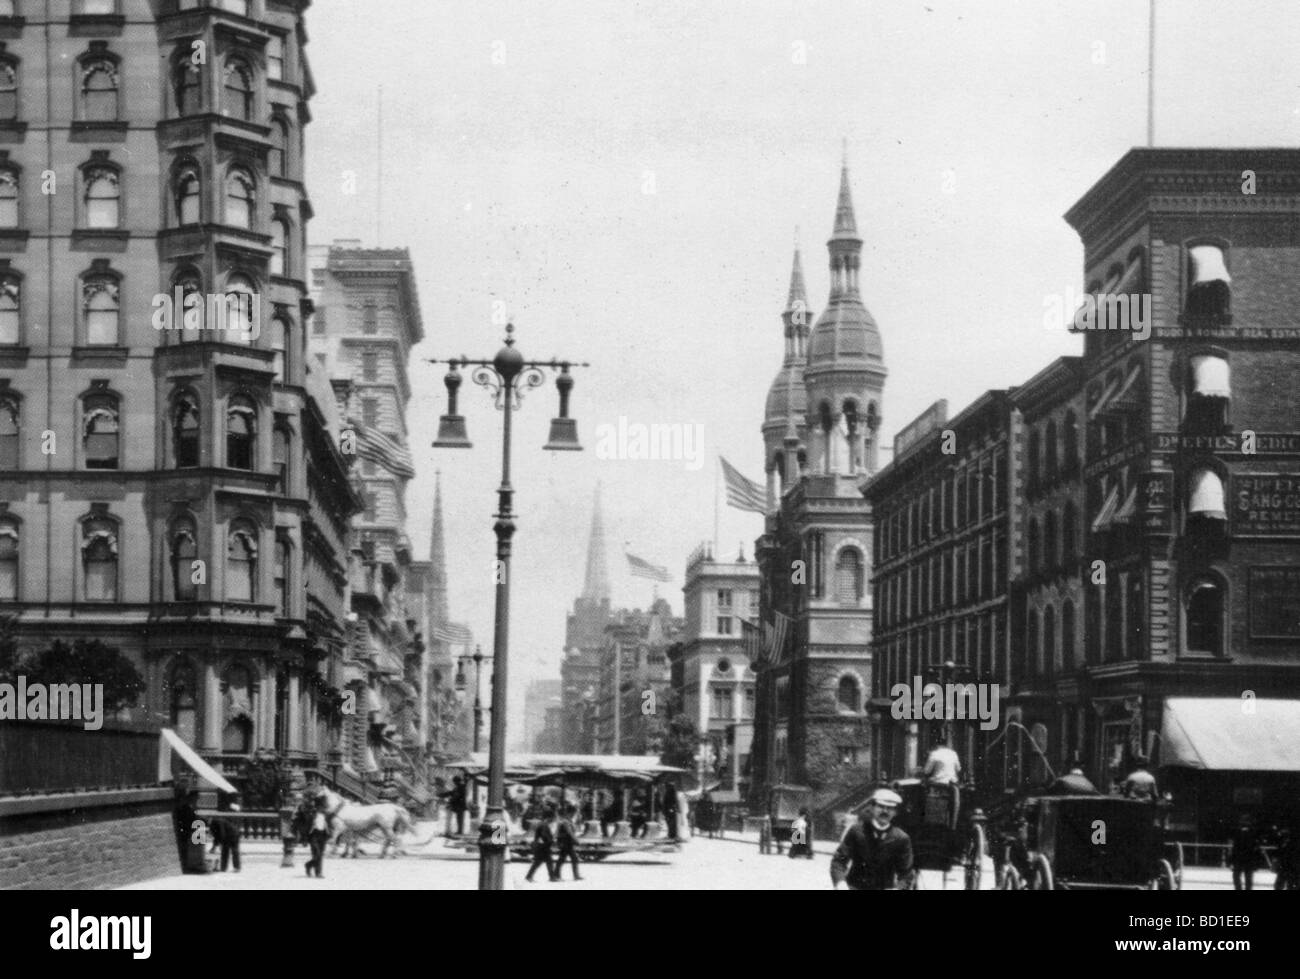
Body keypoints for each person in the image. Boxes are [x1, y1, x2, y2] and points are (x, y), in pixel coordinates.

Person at [831, 788, 914, 890]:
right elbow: (838, 861)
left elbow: (906, 874)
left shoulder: (901, 839)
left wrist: (897, 889)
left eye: (890, 808)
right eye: (881, 806)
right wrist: (841, 884)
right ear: (872, 808)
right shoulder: (857, 831)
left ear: (895, 812)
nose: (885, 811)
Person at [1228, 814, 1265, 891]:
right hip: (1247, 859)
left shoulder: (1239, 833)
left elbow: (1234, 848)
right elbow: (1256, 849)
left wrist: (1230, 861)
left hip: (1242, 859)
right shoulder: (1252, 833)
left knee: (1240, 877)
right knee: (1246, 878)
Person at [525, 804, 559, 882]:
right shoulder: (544, 825)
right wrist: (551, 840)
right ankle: (551, 877)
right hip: (543, 847)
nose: (553, 820)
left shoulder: (543, 824)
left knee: (545, 862)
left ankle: (551, 877)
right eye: (553, 818)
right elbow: (544, 836)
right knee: (542, 862)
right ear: (549, 817)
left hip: (542, 846)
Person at [212, 796, 243, 872]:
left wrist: (217, 843)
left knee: (226, 851)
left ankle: (224, 867)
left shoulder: (223, 819)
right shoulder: (233, 817)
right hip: (234, 833)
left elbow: (221, 831)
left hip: (229, 834)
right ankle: (236, 867)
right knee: (234, 851)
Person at [305, 795, 331, 878]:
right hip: (314, 836)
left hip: (322, 835)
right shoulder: (313, 814)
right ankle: (308, 865)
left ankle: (318, 872)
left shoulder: (325, 815)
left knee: (320, 855)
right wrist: (306, 838)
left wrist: (328, 834)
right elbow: (308, 826)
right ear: (318, 807)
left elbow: (327, 825)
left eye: (324, 807)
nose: (323, 808)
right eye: (322, 807)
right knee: (317, 854)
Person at [555, 804, 583, 881]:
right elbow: (570, 832)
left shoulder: (568, 820)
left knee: (563, 859)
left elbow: (573, 830)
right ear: (569, 812)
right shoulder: (565, 821)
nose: (574, 815)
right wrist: (576, 840)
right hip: (565, 843)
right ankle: (575, 876)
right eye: (573, 813)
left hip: (568, 842)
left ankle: (557, 875)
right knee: (571, 859)